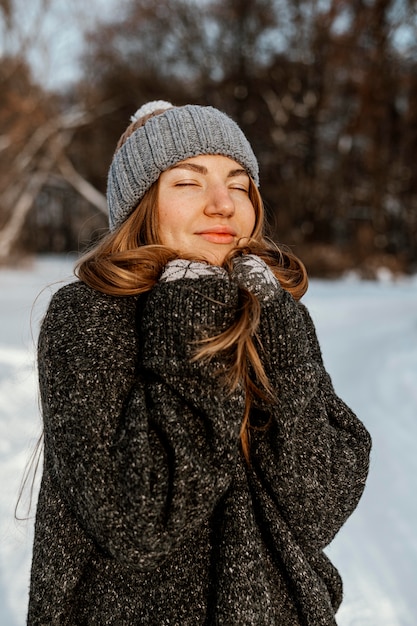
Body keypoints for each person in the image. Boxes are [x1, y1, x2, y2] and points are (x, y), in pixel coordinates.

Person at [27, 100, 371, 625]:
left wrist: (279, 325)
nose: (222, 204)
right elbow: (140, 521)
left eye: (238, 184)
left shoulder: (266, 310)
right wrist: (193, 318)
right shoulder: (88, 316)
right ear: (142, 206)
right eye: (188, 183)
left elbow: (317, 505)